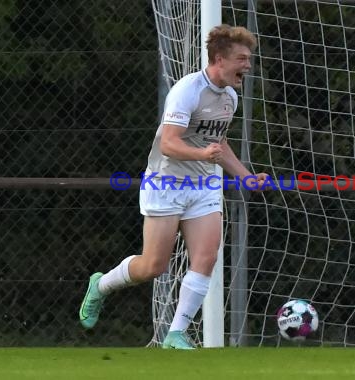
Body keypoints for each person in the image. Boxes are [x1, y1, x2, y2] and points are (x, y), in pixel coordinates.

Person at [79, 24, 268, 349]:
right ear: (220, 58)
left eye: (249, 60)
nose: (247, 66)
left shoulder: (230, 98)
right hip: (166, 184)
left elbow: (218, 143)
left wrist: (244, 176)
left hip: (204, 186)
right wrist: (202, 153)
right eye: (242, 59)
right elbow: (168, 144)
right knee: (153, 266)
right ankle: (101, 285)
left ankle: (176, 334)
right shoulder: (187, 90)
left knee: (206, 257)